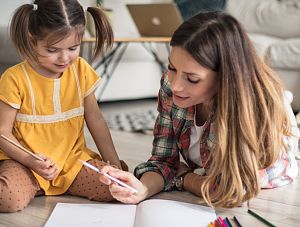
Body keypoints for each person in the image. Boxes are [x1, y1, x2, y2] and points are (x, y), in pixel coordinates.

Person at [99, 11, 299, 208]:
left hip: (271, 166)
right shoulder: (170, 87)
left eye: (192, 79)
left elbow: (230, 192)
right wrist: (141, 189)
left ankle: (286, 114)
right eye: (172, 68)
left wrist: (184, 177)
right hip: (210, 165)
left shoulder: (248, 106)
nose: (175, 85)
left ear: (224, 77)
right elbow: (163, 161)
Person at [0, 0, 127, 213]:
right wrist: (31, 161)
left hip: (72, 162)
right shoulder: (14, 78)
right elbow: (2, 133)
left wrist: (113, 164)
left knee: (117, 188)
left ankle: (44, 187)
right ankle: (28, 183)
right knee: (7, 199)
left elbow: (95, 120)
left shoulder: (81, 70)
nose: (64, 58)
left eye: (73, 48)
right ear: (33, 40)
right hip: (25, 163)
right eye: (52, 50)